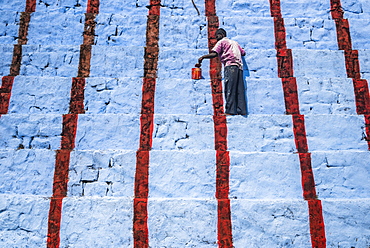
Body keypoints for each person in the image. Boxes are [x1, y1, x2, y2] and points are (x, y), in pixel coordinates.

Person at [196, 28, 247, 116]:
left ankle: (230, 111)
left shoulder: (222, 42)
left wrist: (203, 57)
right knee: (239, 90)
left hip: (230, 66)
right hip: (239, 67)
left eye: (217, 36)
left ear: (222, 35)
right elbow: (243, 53)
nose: (216, 38)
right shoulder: (235, 43)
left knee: (229, 89)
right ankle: (241, 110)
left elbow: (214, 54)